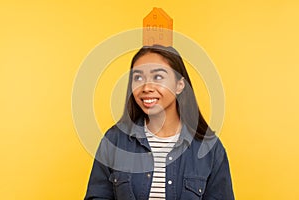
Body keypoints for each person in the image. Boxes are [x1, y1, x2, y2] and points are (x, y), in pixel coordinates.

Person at [84, 45, 234, 200]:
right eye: (138, 78)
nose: (146, 87)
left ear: (179, 85)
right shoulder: (114, 140)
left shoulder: (210, 149)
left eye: (158, 77)